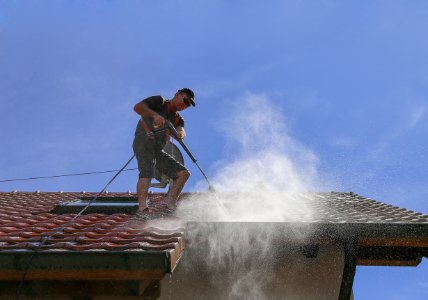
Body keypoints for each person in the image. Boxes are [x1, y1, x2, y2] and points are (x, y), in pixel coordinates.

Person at [132, 88, 195, 219]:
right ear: (177, 95)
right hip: (144, 141)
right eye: (185, 100)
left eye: (188, 105)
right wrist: (155, 115)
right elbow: (138, 107)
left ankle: (170, 207)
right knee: (147, 171)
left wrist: (180, 134)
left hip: (157, 150)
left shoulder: (178, 119)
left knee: (183, 174)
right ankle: (142, 210)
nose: (184, 105)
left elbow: (181, 130)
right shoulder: (159, 102)